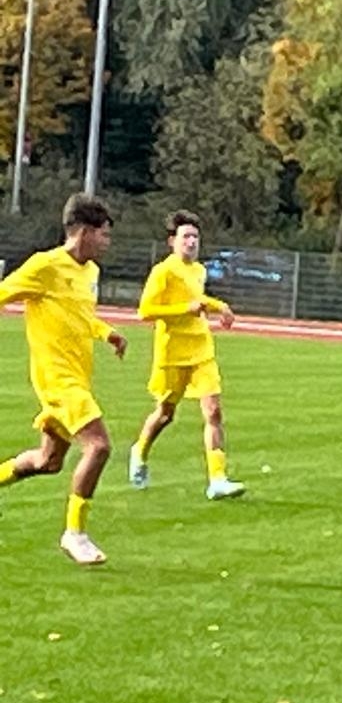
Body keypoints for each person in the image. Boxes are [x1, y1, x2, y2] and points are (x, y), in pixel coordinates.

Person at [0, 194, 128, 565]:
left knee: (48, 461)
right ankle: (75, 533)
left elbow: (80, 315)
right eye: (103, 234)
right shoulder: (45, 266)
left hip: (78, 378)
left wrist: (106, 332)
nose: (107, 242)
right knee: (99, 447)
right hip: (56, 379)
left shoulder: (90, 273)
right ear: (84, 231)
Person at [129, 211, 245, 500]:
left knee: (213, 411)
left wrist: (220, 307)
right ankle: (139, 451)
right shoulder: (163, 271)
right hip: (172, 352)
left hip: (201, 348)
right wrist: (184, 309)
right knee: (165, 414)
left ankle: (217, 479)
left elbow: (198, 299)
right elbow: (145, 311)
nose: (192, 242)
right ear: (172, 241)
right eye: (186, 237)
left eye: (195, 237)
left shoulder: (199, 271)